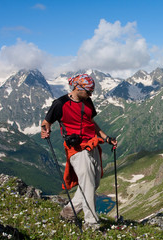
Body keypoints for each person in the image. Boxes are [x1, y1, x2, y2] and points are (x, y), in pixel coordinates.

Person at [41, 74, 117, 230]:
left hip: (92, 145)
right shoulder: (60, 104)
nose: (91, 94)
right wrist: (45, 130)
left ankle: (68, 212)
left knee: (93, 183)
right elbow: (46, 121)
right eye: (89, 91)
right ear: (78, 88)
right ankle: (92, 224)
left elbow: (91, 122)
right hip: (77, 149)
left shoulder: (87, 101)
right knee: (88, 185)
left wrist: (106, 138)